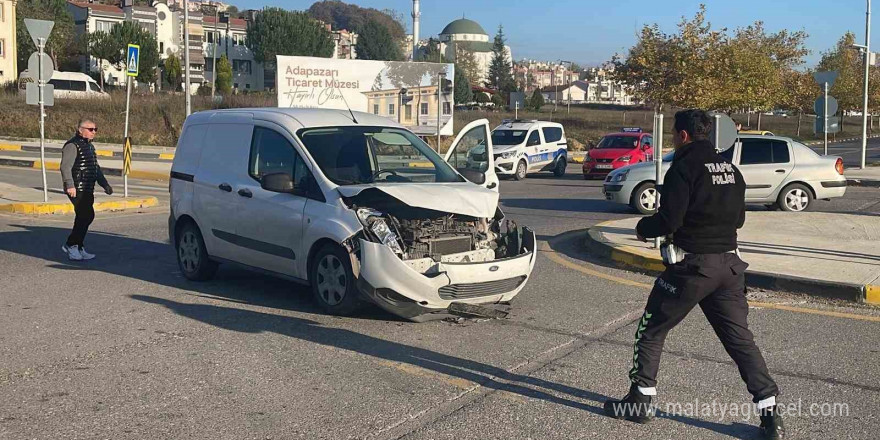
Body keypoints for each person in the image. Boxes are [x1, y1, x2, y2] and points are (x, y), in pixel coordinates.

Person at [603, 110, 783, 439]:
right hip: (729, 267)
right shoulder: (731, 170)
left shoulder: (683, 168)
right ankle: (771, 415)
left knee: (651, 330)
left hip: (691, 268)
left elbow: (669, 220)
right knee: (740, 341)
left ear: (683, 135)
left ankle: (639, 403)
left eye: (673, 133)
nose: (672, 137)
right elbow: (739, 220)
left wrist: (644, 228)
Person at [60, 118, 113, 261]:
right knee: (85, 215)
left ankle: (79, 245)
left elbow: (95, 168)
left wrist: (105, 184)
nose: (93, 132)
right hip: (77, 188)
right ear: (80, 130)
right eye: (90, 129)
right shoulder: (72, 145)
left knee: (87, 216)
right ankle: (71, 245)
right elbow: (65, 166)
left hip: (88, 187)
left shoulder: (90, 147)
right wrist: (70, 184)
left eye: (95, 129)